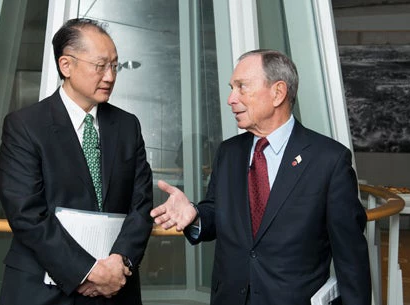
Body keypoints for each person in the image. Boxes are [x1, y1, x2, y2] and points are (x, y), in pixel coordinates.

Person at [151, 49, 371, 305]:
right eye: (231, 88)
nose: (231, 99)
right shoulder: (228, 153)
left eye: (242, 87)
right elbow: (216, 212)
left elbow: (351, 260)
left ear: (278, 93)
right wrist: (195, 215)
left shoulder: (329, 161)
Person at [0, 18, 153, 305]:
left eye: (114, 66)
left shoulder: (128, 126)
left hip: (116, 289)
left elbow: (141, 205)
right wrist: (88, 272)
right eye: (100, 66)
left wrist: (120, 264)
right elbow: (26, 213)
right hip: (43, 290)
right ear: (66, 65)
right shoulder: (25, 126)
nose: (110, 76)